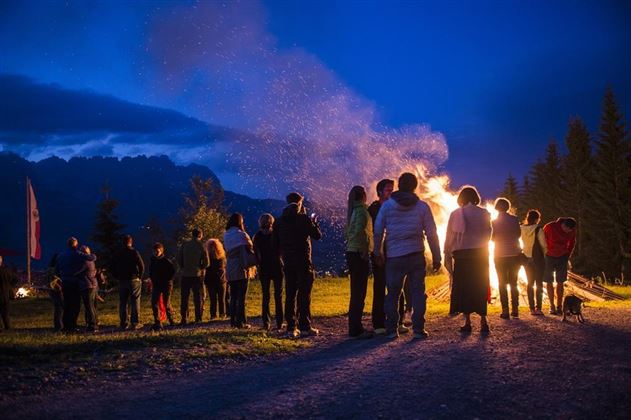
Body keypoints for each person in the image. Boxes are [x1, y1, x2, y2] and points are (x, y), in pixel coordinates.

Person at [373, 172, 441, 339]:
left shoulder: (387, 206)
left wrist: (378, 252)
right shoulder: (422, 207)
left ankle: (391, 330)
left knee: (393, 294)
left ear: (399, 186)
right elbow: (432, 233)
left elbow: (378, 231)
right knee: (418, 292)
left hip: (395, 257)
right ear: (414, 186)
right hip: (416, 255)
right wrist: (437, 256)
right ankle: (418, 329)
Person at [273, 192, 322, 338]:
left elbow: (274, 244)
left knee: (290, 294)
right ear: (299, 203)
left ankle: (291, 327)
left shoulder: (279, 221)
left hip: (288, 262)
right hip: (303, 260)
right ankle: (305, 325)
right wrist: (313, 222)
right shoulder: (303, 219)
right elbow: (317, 235)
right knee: (304, 294)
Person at [444, 186, 492, 334]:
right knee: (480, 286)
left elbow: (450, 235)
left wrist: (447, 253)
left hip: (462, 256)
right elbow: (489, 233)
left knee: (464, 288)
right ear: (475, 197)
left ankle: (468, 322)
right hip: (480, 254)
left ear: (461, 198)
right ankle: (484, 321)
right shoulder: (484, 213)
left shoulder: (455, 214)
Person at [367, 178, 410, 335]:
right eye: (387, 190)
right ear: (379, 192)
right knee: (380, 287)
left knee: (397, 288)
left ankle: (398, 321)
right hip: (380, 253)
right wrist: (377, 252)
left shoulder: (395, 208)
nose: (391, 193)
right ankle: (379, 324)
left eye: (392, 190)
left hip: (395, 252)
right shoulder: (374, 208)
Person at [345, 186, 374, 338]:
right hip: (358, 253)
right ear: (363, 195)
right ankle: (356, 329)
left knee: (355, 292)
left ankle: (354, 327)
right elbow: (362, 232)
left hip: (351, 252)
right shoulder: (362, 211)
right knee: (359, 293)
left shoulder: (351, 211)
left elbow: (349, 232)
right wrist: (364, 250)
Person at [55, 237, 97, 333]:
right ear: (76, 244)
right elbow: (92, 258)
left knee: (67, 305)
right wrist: (89, 253)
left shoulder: (60, 256)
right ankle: (72, 326)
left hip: (65, 282)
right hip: (74, 282)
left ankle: (66, 327)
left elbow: (56, 270)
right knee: (75, 306)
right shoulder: (77, 254)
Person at [492, 197, 523, 319]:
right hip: (514, 254)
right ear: (508, 207)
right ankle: (515, 308)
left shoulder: (494, 222)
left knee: (502, 283)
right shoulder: (514, 219)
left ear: (496, 207)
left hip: (499, 254)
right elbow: (518, 234)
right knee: (514, 282)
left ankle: (505, 310)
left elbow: (492, 238)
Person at [224, 213, 255, 329]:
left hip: (230, 268)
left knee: (233, 296)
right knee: (241, 297)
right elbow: (250, 246)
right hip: (241, 268)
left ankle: (233, 321)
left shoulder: (226, 234)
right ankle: (241, 321)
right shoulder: (241, 235)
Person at [253, 213, 284, 331]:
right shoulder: (276, 235)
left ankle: (266, 322)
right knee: (278, 295)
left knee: (265, 295)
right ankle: (280, 322)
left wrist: (258, 265)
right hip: (276, 266)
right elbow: (281, 250)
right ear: (272, 222)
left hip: (264, 267)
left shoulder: (257, 237)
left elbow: (255, 254)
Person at [110, 235, 145, 330]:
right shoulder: (134, 252)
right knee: (135, 301)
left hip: (122, 280)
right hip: (134, 280)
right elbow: (141, 265)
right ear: (131, 242)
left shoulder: (118, 253)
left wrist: (116, 277)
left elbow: (112, 266)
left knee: (123, 302)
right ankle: (135, 323)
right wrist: (139, 277)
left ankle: (124, 323)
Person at [543, 217, 577, 315]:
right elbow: (542, 239)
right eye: (567, 230)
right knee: (549, 281)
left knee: (560, 281)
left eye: (570, 230)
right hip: (548, 256)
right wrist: (544, 252)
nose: (568, 232)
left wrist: (568, 254)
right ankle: (552, 306)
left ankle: (559, 306)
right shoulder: (550, 227)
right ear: (563, 225)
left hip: (562, 257)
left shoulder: (572, 230)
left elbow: (572, 242)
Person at [178, 228, 210, 325]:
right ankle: (198, 317)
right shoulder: (201, 245)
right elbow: (207, 262)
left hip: (185, 275)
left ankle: (184, 318)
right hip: (197, 274)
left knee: (184, 297)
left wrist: (183, 267)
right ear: (200, 235)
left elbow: (179, 259)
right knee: (197, 297)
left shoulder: (184, 244)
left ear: (192, 235)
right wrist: (201, 267)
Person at [521, 209, 547, 315]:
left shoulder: (521, 228)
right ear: (537, 219)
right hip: (537, 259)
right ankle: (539, 308)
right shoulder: (538, 229)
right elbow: (543, 245)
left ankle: (531, 308)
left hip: (526, 258)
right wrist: (545, 255)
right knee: (539, 283)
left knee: (530, 283)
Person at [147, 242, 176, 330]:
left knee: (166, 302)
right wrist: (152, 280)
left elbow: (172, 272)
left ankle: (171, 320)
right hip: (156, 284)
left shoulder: (166, 261)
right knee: (154, 303)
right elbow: (151, 271)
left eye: (157, 251)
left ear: (161, 251)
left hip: (166, 284)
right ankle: (157, 321)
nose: (155, 253)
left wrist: (168, 280)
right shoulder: (153, 260)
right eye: (154, 251)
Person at [204, 239, 227, 320]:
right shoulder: (222, 257)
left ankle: (213, 315)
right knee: (222, 299)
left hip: (210, 280)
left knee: (213, 299)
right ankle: (222, 314)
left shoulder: (207, 258)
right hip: (221, 280)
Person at [79, 245, 98, 332]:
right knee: (92, 306)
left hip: (87, 285)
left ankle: (92, 325)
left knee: (89, 306)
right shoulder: (91, 260)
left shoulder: (84, 261)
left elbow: (78, 272)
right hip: (93, 285)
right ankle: (94, 323)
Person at [0, 255, 19, 330]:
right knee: (5, 313)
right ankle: (7, 327)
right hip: (6, 294)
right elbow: (16, 279)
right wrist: (10, 286)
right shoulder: (6, 271)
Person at [47, 253, 64, 331]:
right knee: (59, 308)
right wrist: (59, 287)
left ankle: (59, 325)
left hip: (54, 291)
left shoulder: (51, 269)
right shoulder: (54, 269)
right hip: (56, 291)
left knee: (59, 308)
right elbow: (52, 281)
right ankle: (59, 326)